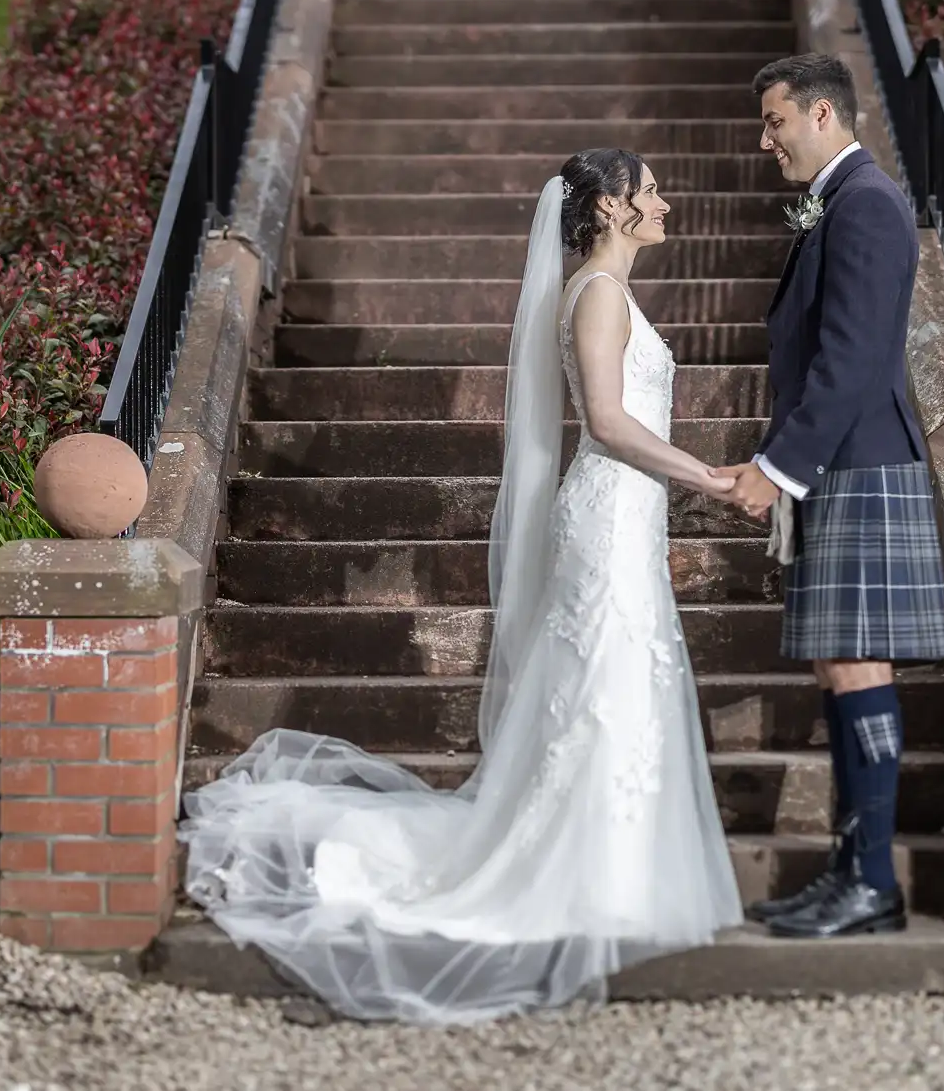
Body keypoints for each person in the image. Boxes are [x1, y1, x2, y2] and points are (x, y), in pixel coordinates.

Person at [181, 148, 743, 1023]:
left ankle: (616, 871)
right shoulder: (596, 293)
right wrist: (707, 476)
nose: (665, 202)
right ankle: (580, 875)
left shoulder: (611, 290)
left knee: (619, 685)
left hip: (629, 517)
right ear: (606, 208)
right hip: (608, 515)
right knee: (604, 681)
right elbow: (604, 420)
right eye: (649, 192)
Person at [712, 53, 944, 940]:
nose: (764, 139)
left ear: (821, 113)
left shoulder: (867, 205)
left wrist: (777, 469)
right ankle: (852, 874)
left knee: (858, 664)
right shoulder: (846, 203)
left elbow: (850, 362)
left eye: (775, 121)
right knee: (838, 666)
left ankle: (872, 884)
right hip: (840, 464)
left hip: (861, 462)